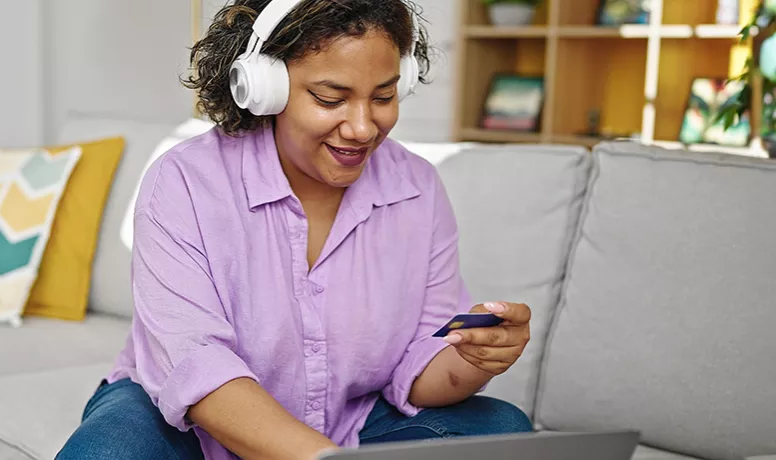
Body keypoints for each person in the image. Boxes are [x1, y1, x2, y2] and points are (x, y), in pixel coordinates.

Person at [57, 1, 533, 459]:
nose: (363, 127)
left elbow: (421, 370)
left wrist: (473, 359)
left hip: (352, 425)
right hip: (189, 426)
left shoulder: (417, 188)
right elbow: (194, 368)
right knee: (109, 450)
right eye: (331, 98)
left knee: (499, 428)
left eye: (384, 96)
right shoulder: (184, 181)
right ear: (265, 88)